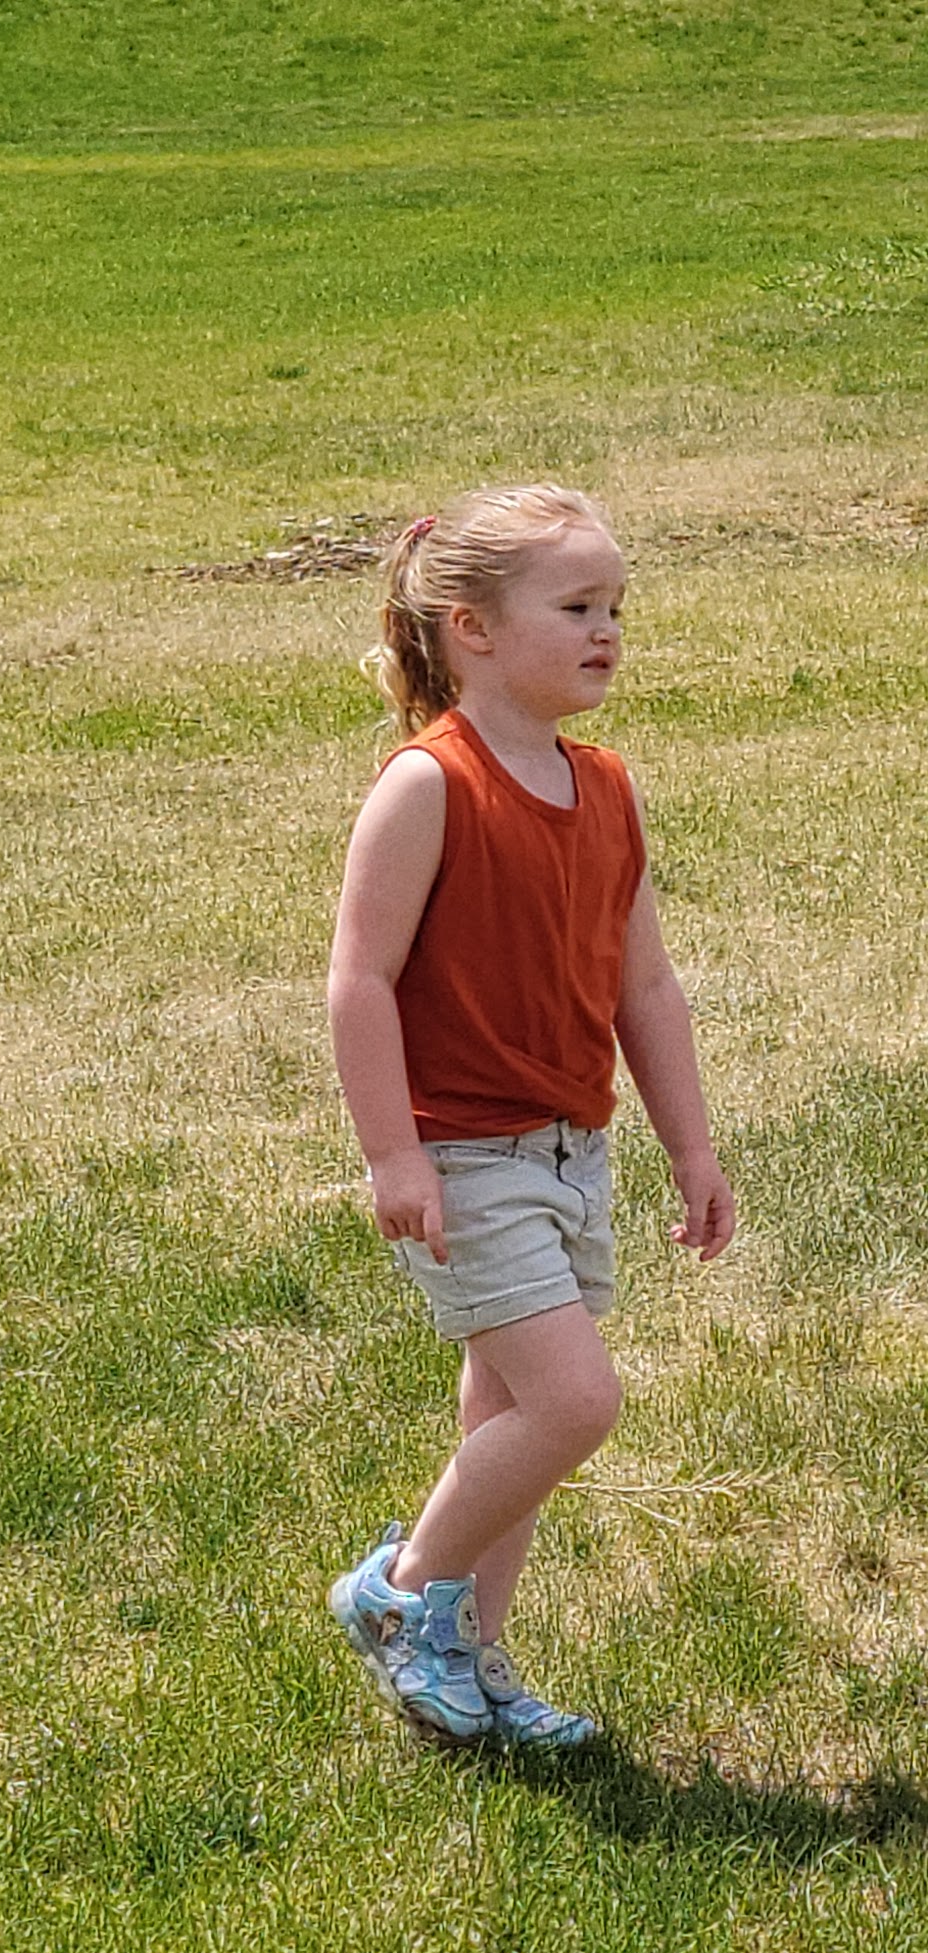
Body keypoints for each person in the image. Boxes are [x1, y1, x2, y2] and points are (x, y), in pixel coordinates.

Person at [326, 484, 735, 1749]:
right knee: (574, 1403)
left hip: (572, 1150)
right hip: (461, 1153)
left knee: (504, 1414)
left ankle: (472, 1658)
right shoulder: (427, 784)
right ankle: (400, 1598)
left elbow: (644, 986)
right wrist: (394, 1150)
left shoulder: (606, 788)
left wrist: (690, 1144)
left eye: (617, 605)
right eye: (577, 605)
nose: (609, 628)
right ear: (473, 629)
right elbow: (360, 978)